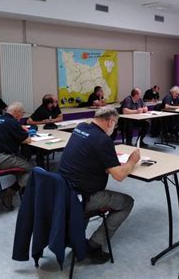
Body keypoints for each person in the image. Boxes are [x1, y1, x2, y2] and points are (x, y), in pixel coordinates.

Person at [58, 106, 141, 264]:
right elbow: (119, 175)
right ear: (110, 121)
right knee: (127, 202)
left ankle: (76, 237)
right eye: (115, 124)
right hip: (82, 196)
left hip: (63, 190)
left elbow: (86, 154)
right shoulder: (103, 140)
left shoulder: (81, 127)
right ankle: (94, 245)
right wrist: (132, 161)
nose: (114, 128)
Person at [0, 102, 34, 210]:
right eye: (22, 113)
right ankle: (9, 193)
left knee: (22, 163)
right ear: (16, 112)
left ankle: (21, 191)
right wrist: (25, 133)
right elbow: (26, 140)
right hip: (1, 159)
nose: (22, 116)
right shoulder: (12, 122)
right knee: (32, 169)